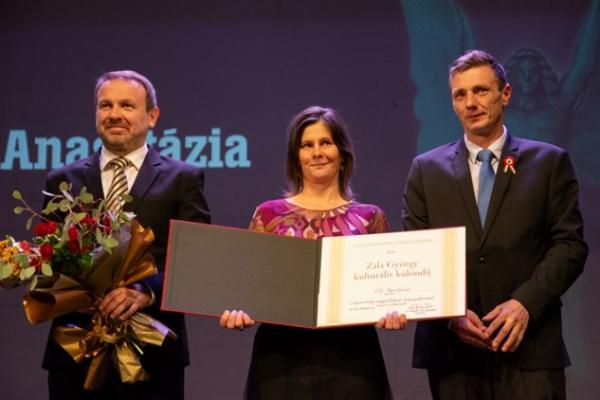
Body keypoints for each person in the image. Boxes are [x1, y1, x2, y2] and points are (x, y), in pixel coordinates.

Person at [402, 49, 588, 399]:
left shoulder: (548, 162)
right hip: (453, 353)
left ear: (506, 94)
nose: (471, 103)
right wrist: (452, 314)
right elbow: (417, 254)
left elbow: (570, 246)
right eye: (460, 94)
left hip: (530, 347)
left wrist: (525, 304)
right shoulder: (426, 170)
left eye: (481, 90)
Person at [42, 70, 211, 399]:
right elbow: (50, 260)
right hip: (75, 350)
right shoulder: (62, 180)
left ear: (152, 116)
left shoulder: (183, 179)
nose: (114, 114)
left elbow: (197, 263)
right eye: (105, 105)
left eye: (127, 105)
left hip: (153, 354)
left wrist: (145, 292)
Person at [220, 106, 407, 399]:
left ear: (342, 153)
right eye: (307, 145)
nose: (317, 152)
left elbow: (389, 293)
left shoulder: (371, 217)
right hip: (279, 360)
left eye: (325, 142)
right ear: (297, 157)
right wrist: (238, 309)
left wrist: (394, 311)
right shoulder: (267, 215)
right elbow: (247, 289)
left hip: (354, 360)